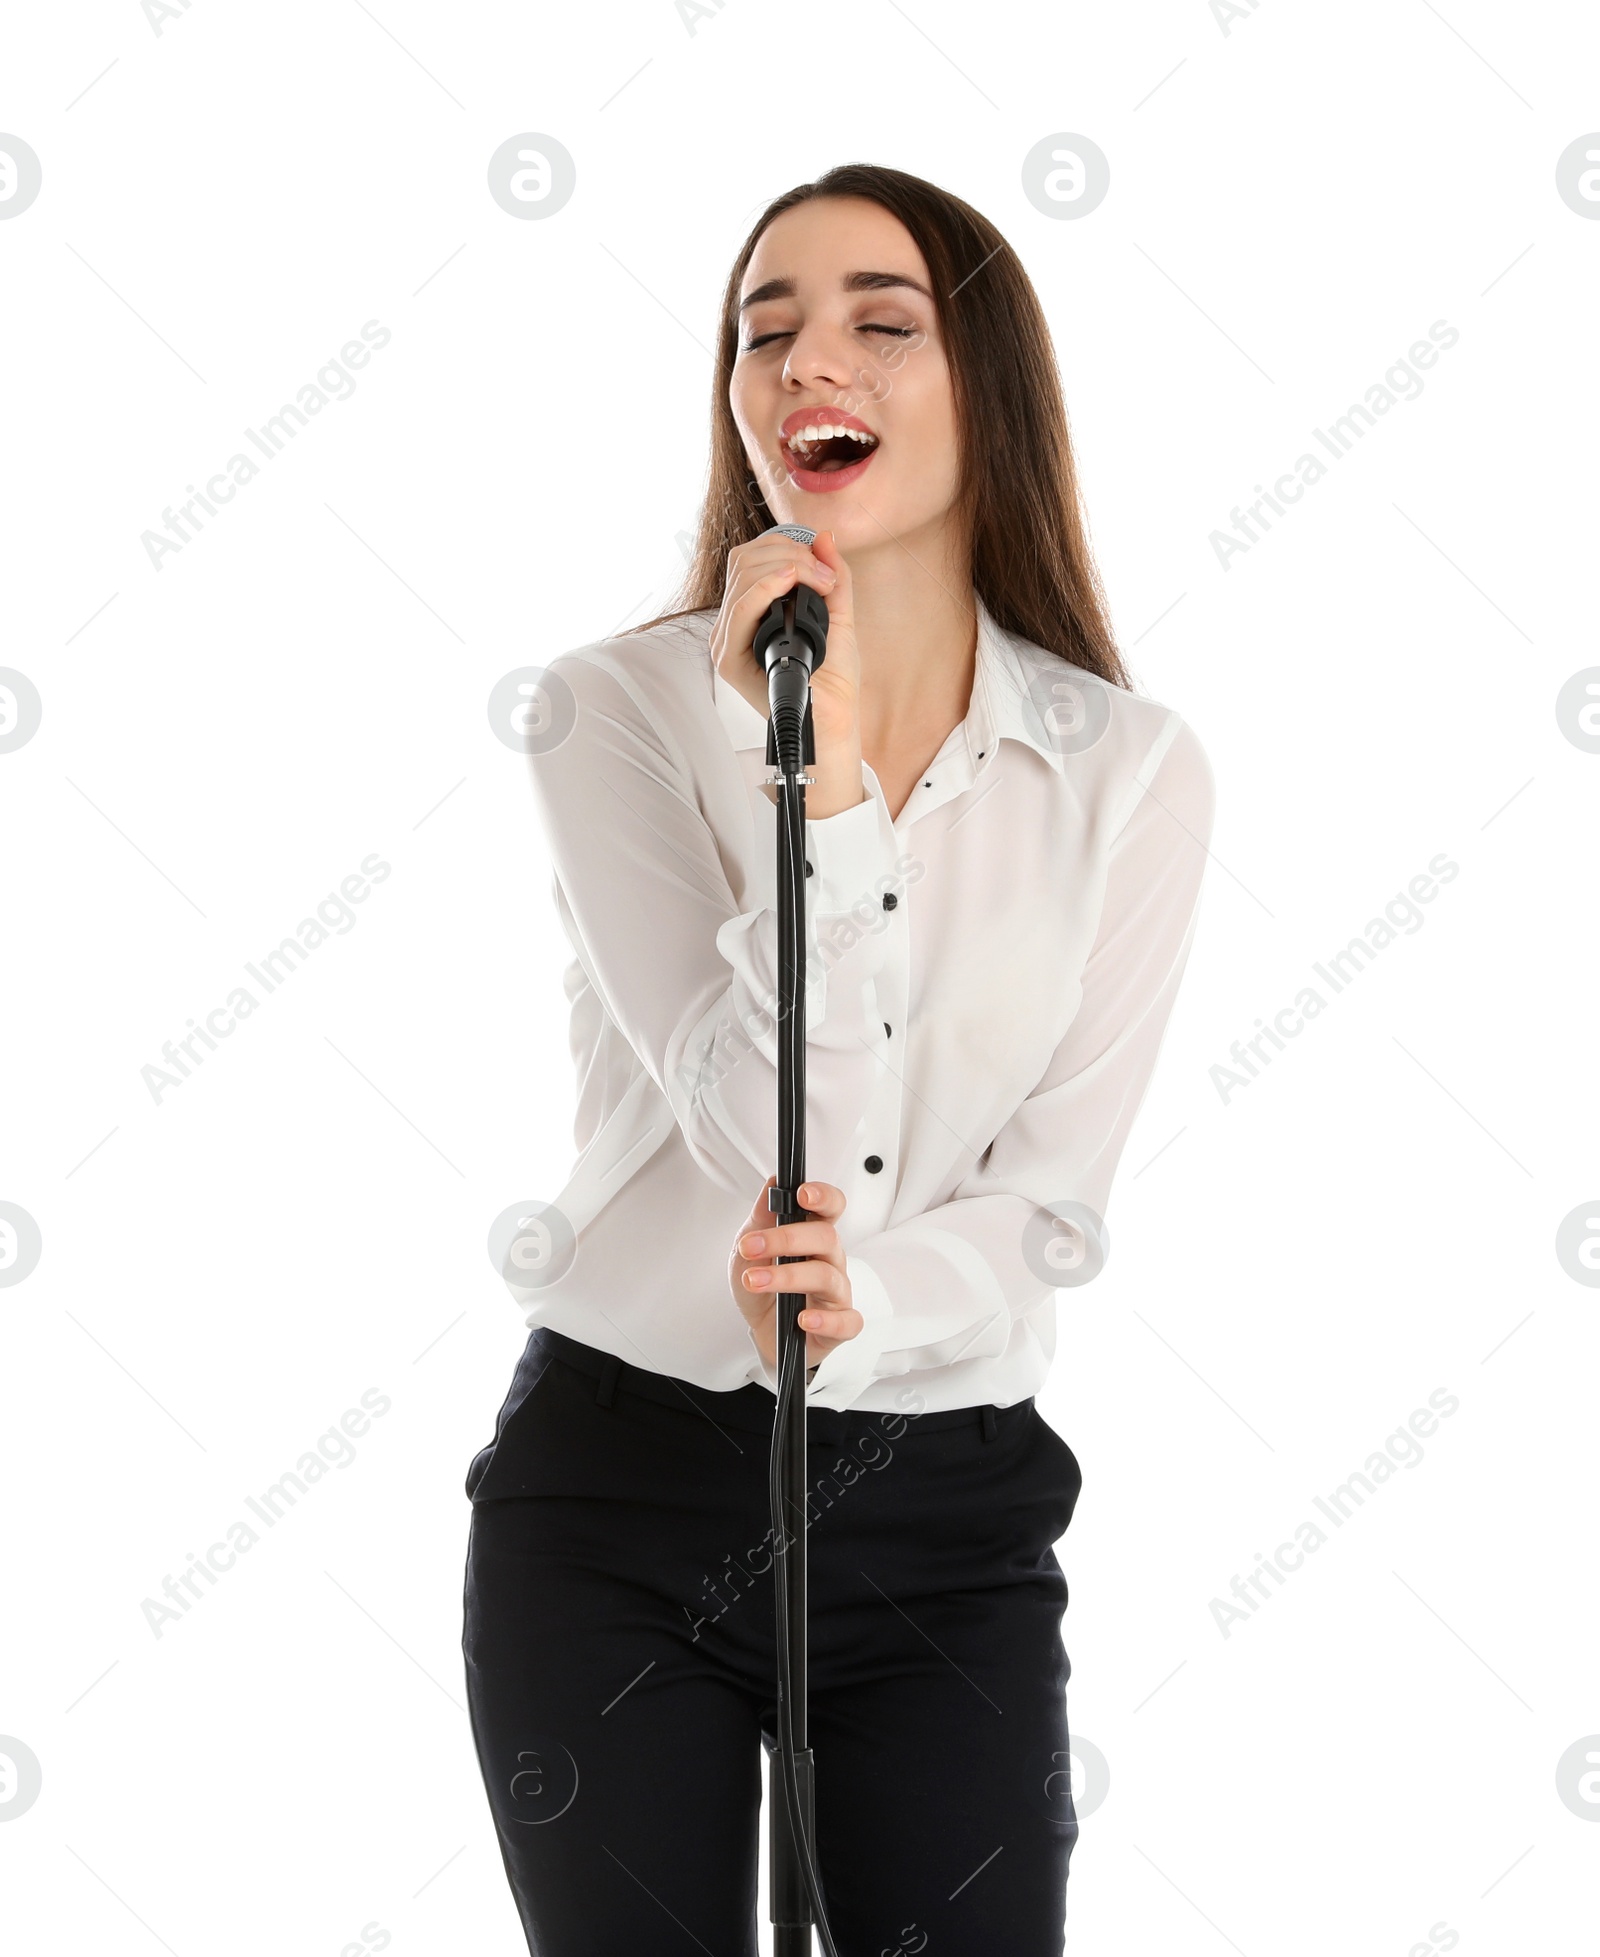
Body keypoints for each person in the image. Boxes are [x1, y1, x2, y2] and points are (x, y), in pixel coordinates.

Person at [461, 162, 1214, 1956]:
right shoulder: (613, 709)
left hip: (943, 1520)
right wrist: (829, 783)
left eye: (887, 321)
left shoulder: (1125, 770)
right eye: (767, 326)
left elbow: (1056, 1210)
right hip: (618, 1504)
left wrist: (872, 1292)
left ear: (992, 390)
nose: (817, 360)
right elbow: (750, 1113)